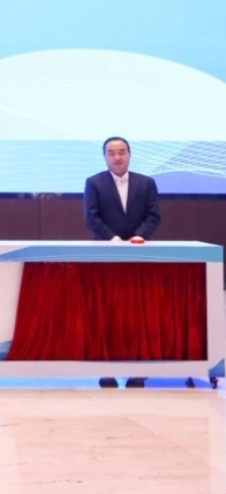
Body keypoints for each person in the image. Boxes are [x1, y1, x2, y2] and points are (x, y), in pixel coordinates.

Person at [84, 136, 161, 390]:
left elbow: (153, 216)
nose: (117, 157)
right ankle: (106, 370)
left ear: (129, 154)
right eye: (111, 153)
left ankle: (137, 371)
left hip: (139, 258)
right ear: (105, 156)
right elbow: (92, 218)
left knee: (137, 315)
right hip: (106, 259)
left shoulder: (146, 183)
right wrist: (114, 240)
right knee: (107, 313)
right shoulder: (94, 183)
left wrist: (138, 237)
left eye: (121, 152)